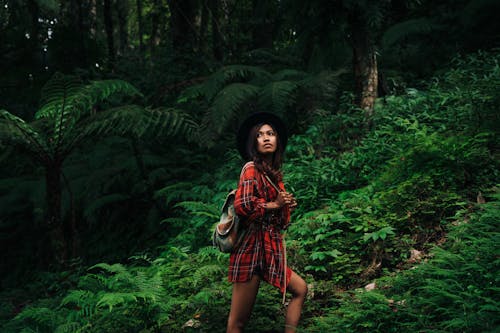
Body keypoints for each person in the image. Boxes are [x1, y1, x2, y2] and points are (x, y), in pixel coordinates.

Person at [226, 112, 308, 333]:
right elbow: (242, 207)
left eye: (270, 133)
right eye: (260, 135)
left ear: (277, 140)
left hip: (270, 251)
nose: (266, 138)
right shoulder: (251, 168)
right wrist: (274, 204)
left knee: (300, 289)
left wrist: (285, 207)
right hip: (251, 250)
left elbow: (280, 224)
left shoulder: (275, 177)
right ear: (254, 143)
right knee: (237, 323)